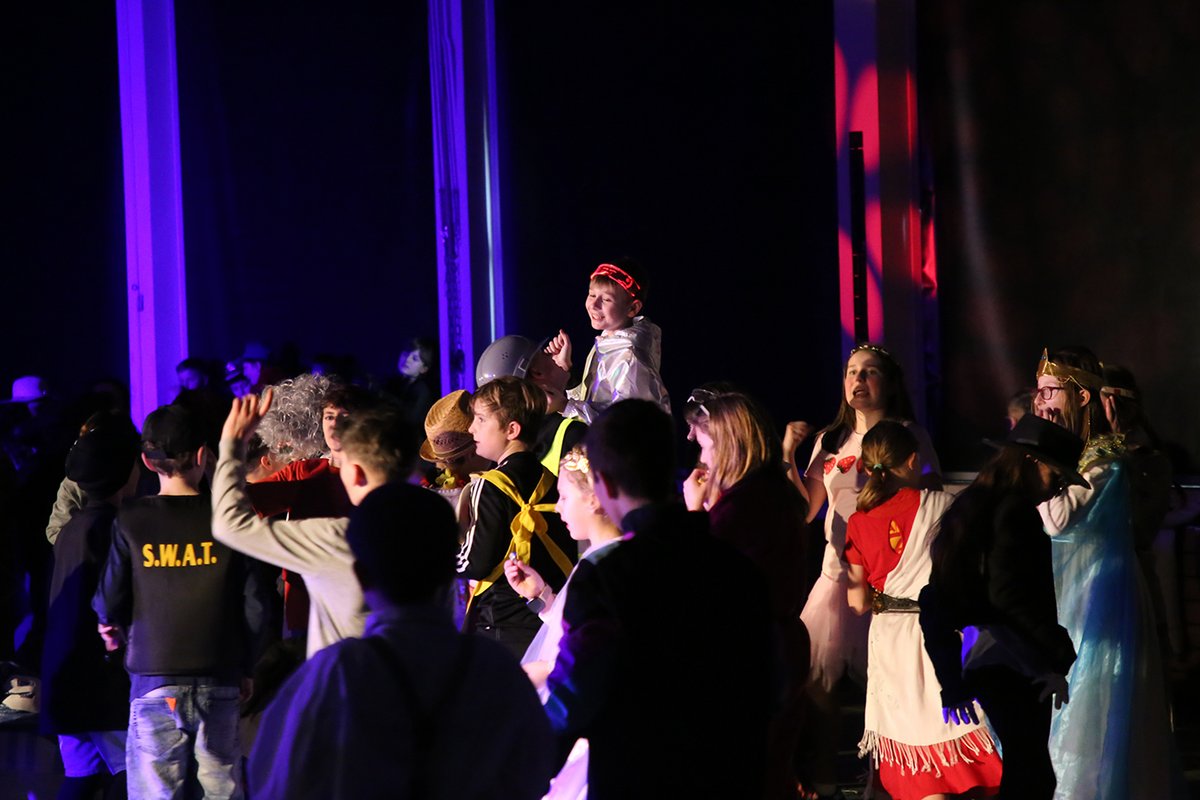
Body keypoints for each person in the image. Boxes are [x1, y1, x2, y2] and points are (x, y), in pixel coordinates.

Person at [247, 483, 556, 799]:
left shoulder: (335, 674)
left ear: (360, 575)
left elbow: (275, 782)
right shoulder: (496, 669)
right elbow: (534, 775)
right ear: (450, 568)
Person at [544, 400, 773, 799]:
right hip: (730, 776)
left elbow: (574, 696)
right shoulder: (737, 567)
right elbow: (769, 683)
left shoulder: (607, 576)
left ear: (603, 485)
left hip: (638, 777)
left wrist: (528, 766)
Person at [92, 403, 272, 800]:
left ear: (147, 461)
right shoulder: (228, 519)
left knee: (156, 791)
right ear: (204, 456)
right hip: (220, 674)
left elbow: (108, 597)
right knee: (222, 788)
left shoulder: (131, 518)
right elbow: (257, 603)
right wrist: (246, 665)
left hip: (153, 676)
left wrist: (110, 627)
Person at [785, 343, 941, 799]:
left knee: (886, 685)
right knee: (818, 686)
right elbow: (808, 510)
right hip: (837, 575)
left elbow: (929, 500)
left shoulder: (907, 435)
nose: (858, 380)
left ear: (889, 383)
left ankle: (885, 780)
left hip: (888, 580)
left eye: (870, 372)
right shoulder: (831, 441)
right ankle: (826, 780)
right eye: (852, 371)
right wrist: (788, 455)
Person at [1031, 347, 1185, 799]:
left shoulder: (1105, 461)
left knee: (1094, 696)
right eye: (1037, 392)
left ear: (1082, 397)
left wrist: (1037, 456)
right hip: (1063, 588)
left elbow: (1057, 520)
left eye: (1050, 391)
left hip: (1099, 593)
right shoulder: (1073, 453)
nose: (1040, 402)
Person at [919, 414, 1082, 799]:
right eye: (1056, 474)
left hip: (986, 658)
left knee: (1027, 771)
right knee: (1031, 777)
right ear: (1030, 462)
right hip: (1010, 658)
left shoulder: (973, 504)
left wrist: (952, 679)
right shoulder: (1014, 512)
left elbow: (937, 599)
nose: (1059, 487)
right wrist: (1058, 656)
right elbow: (1009, 597)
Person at [844, 421, 1001, 800]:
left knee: (919, 763)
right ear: (914, 460)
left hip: (891, 641)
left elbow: (857, 602)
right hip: (944, 633)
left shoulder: (858, 522)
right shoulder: (945, 507)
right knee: (964, 739)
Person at [212, 389, 417, 658]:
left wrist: (232, 448)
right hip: (308, 612)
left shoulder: (337, 535)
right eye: (328, 416)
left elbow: (231, 521)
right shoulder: (306, 472)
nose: (334, 425)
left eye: (344, 416)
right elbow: (249, 502)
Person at [681, 386, 810, 800]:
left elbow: (703, 581)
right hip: (773, 648)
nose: (701, 458)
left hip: (754, 656)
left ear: (728, 445)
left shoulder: (744, 506)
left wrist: (693, 514)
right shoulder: (769, 494)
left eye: (705, 446)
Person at [503, 446, 623, 799]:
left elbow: (587, 655)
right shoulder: (595, 558)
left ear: (594, 500)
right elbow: (572, 629)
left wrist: (531, 673)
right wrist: (542, 596)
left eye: (564, 497)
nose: (557, 508)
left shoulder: (606, 566)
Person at [41, 413, 141, 800]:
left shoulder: (71, 529)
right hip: (100, 685)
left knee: (82, 776)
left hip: (67, 680)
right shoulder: (114, 529)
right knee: (129, 773)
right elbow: (113, 602)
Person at [458, 376, 576, 656]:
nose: (471, 428)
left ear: (511, 429)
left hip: (500, 622)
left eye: (480, 419)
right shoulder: (553, 479)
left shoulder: (489, 484)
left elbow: (476, 563)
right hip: (546, 614)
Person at [544, 258, 671, 424]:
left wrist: (564, 406)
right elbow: (595, 403)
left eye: (606, 299)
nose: (594, 305)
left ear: (633, 308)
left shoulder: (630, 358)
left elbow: (623, 427)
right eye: (592, 295)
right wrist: (567, 373)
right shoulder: (608, 340)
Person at [476, 334, 587, 474]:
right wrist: (566, 406)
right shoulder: (571, 430)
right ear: (537, 373)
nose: (552, 355)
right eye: (544, 354)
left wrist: (568, 378)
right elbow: (608, 433)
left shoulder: (524, 440)